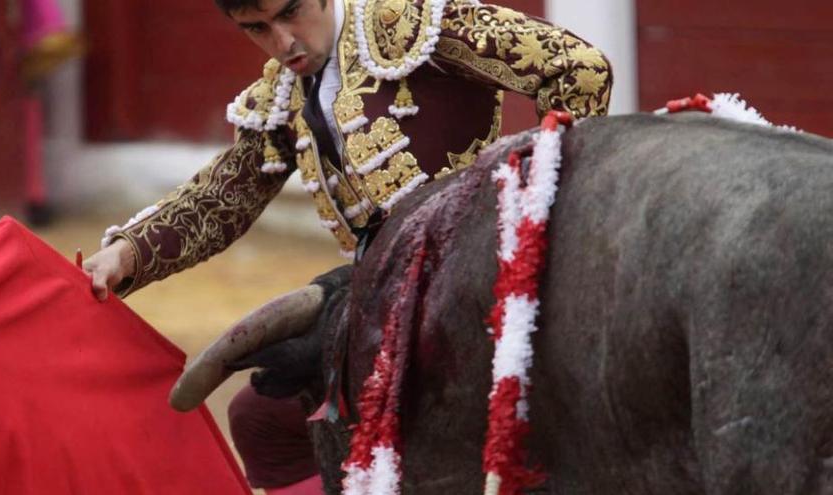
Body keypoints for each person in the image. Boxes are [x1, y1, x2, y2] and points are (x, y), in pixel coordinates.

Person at [83, 0, 611, 491]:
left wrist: (537, 207)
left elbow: (580, 69)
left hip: (479, 280)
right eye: (257, 28)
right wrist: (126, 255)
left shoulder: (413, 24)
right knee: (259, 418)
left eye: (291, 12)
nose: (283, 41)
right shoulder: (284, 93)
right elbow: (225, 196)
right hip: (383, 295)